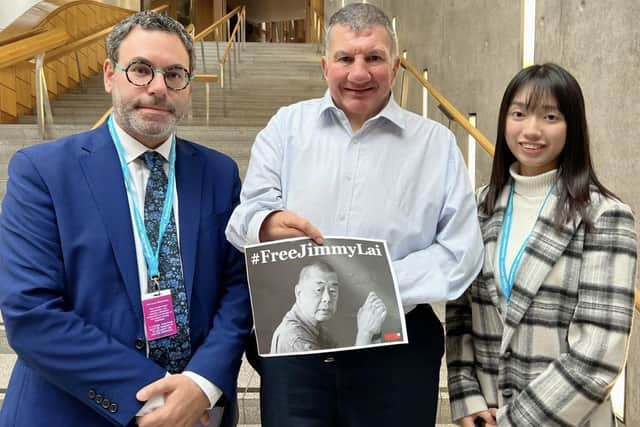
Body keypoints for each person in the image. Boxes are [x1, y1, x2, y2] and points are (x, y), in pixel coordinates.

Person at [225, 3, 483, 426]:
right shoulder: (285, 127)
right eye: (345, 58)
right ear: (325, 64)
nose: (359, 74)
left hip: (397, 347)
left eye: (374, 58)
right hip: (300, 354)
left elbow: (461, 253)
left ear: (396, 65)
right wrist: (266, 224)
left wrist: (373, 285)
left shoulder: (435, 145)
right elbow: (243, 217)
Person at [0, 11, 251, 427]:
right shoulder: (42, 171)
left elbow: (237, 289)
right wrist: (157, 402)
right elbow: (31, 313)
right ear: (108, 75)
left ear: (188, 85)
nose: (158, 88)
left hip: (198, 412)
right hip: (71, 412)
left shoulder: (218, 173)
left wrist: (201, 384)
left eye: (175, 74)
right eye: (140, 70)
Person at [445, 63, 637, 427]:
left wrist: (513, 422)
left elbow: (598, 355)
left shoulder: (604, 217)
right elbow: (459, 317)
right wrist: (466, 397)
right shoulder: (478, 207)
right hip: (485, 414)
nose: (531, 130)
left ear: (572, 127)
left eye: (550, 116)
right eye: (519, 114)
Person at [270, 261, 387, 354]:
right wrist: (364, 334)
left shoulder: (318, 330)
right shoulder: (295, 339)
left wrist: (373, 332)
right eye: (318, 290)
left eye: (333, 291)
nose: (327, 298)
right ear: (299, 292)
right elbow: (350, 380)